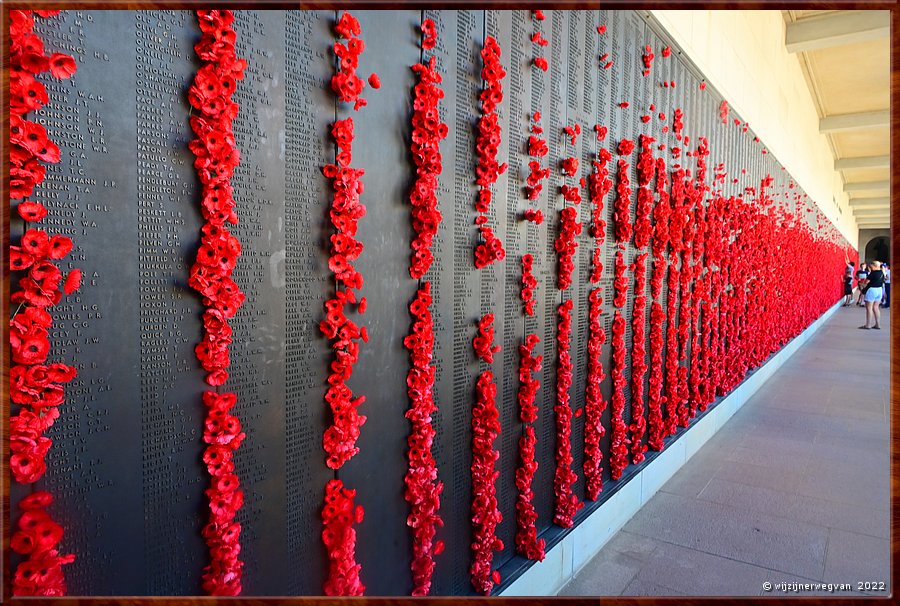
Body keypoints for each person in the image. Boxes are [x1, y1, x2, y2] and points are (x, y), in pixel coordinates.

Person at [859, 260, 884, 330]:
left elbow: (866, 281)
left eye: (871, 266)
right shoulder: (881, 272)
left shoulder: (873, 273)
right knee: (876, 307)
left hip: (872, 290)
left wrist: (862, 283)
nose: (870, 267)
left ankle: (868, 325)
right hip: (879, 290)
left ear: (874, 266)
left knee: (869, 308)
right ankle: (878, 324)